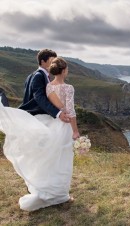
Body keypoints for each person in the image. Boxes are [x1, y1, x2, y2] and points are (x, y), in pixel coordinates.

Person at [0, 54, 78, 211]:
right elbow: (39, 99)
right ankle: (53, 192)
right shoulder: (40, 77)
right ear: (43, 61)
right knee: (59, 159)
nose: (52, 63)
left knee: (47, 157)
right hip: (53, 121)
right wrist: (70, 124)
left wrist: (56, 113)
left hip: (48, 120)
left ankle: (45, 188)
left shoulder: (47, 83)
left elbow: (38, 98)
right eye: (51, 59)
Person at [19, 49, 70, 123]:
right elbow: (39, 97)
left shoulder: (32, 75)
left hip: (32, 115)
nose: (54, 63)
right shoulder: (38, 76)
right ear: (42, 61)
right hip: (35, 116)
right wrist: (58, 113)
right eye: (52, 61)